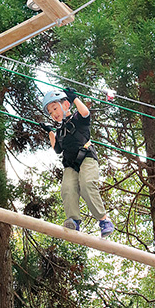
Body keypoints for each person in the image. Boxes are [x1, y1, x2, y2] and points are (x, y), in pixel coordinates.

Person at [43, 87, 114, 238]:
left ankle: (103, 220)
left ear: (66, 105)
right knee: (67, 188)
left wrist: (74, 98)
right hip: (70, 164)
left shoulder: (77, 118)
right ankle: (74, 220)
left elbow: (85, 113)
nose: (53, 114)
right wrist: (50, 131)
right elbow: (57, 149)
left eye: (55, 108)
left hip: (86, 157)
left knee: (87, 184)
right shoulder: (60, 131)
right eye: (50, 112)